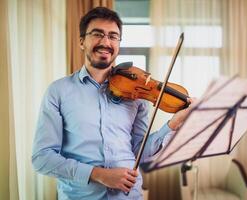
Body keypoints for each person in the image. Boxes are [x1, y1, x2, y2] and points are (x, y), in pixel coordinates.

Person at [32, 6, 193, 200]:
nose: (106, 42)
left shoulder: (136, 95)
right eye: (98, 34)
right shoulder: (58, 91)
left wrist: (172, 125)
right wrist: (99, 174)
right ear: (82, 41)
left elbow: (139, 152)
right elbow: (42, 158)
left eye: (113, 36)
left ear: (118, 43)